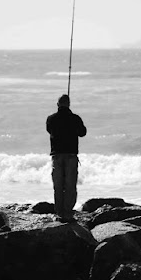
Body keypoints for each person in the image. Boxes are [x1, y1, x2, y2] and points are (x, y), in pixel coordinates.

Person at [46, 94, 87, 222]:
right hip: (70, 155)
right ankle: (68, 212)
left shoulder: (51, 119)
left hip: (57, 155)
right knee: (70, 184)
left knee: (58, 185)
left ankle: (59, 212)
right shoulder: (75, 118)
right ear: (69, 104)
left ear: (58, 104)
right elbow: (83, 133)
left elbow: (49, 130)